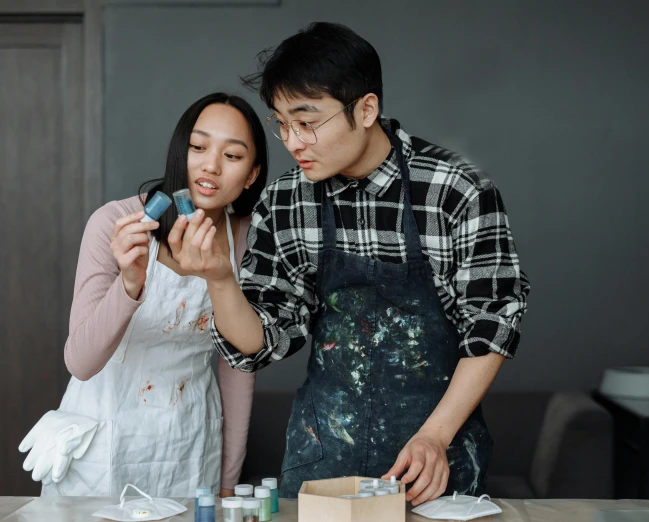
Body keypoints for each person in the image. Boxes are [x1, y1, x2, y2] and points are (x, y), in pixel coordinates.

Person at [173, 23, 529, 506]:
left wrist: (435, 437)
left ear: (366, 109)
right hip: (322, 462)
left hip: (432, 465)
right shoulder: (284, 202)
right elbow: (261, 341)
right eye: (282, 123)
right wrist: (219, 279)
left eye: (307, 121)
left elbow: (494, 321)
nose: (293, 141)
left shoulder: (455, 192)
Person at [22, 92, 267, 497]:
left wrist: (227, 481)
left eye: (233, 156)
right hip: (102, 446)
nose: (210, 165)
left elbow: (239, 367)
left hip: (189, 446)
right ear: (179, 151)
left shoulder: (247, 242)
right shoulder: (115, 223)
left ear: (253, 173)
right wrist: (129, 284)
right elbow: (80, 362)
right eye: (198, 147)